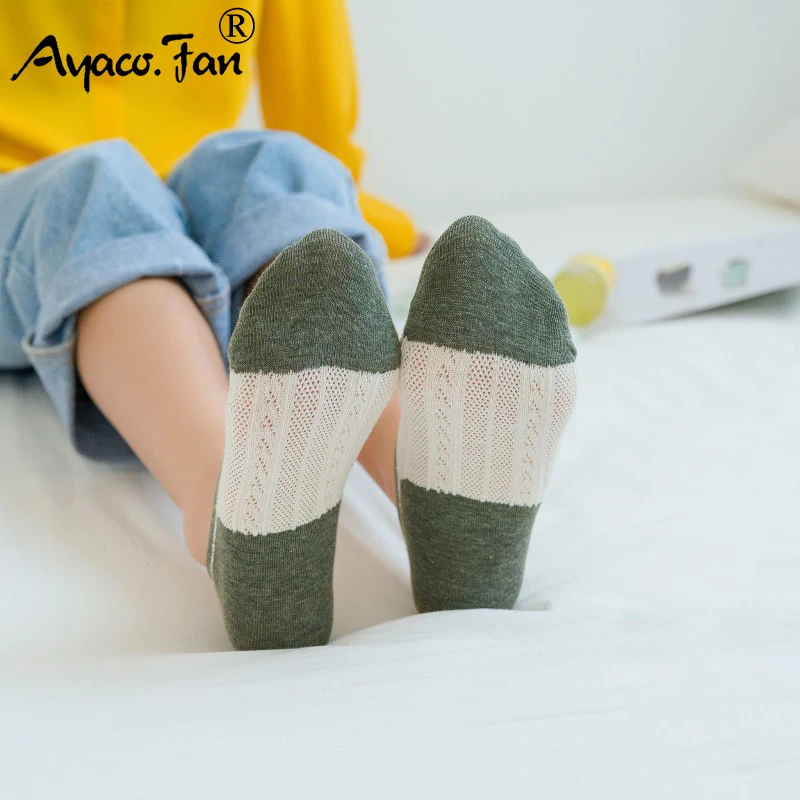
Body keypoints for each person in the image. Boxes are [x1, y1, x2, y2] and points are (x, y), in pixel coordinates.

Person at [0, 1, 578, 650]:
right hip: (22, 209)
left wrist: (363, 219)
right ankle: (226, 507)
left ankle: (434, 482)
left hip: (187, 211)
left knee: (272, 165)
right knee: (93, 186)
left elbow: (314, 126)